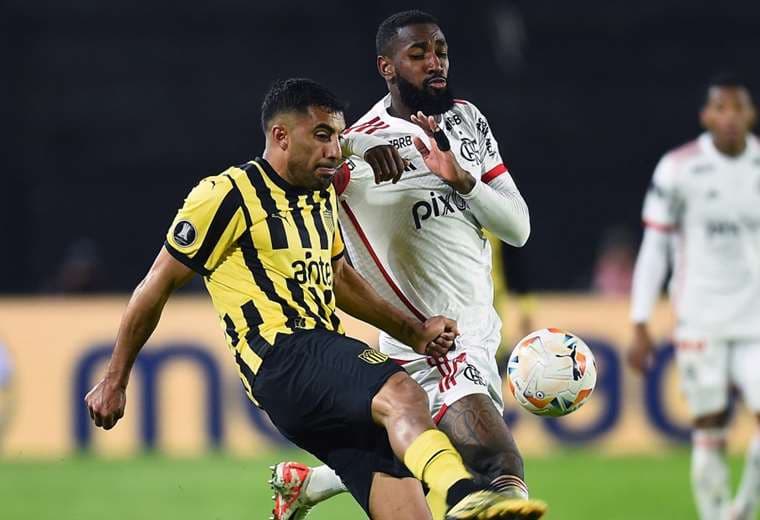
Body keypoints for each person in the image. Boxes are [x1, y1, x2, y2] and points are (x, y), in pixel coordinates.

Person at [84, 78, 542, 520]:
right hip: (280, 352)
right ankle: (464, 492)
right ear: (280, 136)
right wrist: (115, 378)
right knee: (403, 391)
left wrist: (412, 331)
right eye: (322, 136)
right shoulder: (226, 195)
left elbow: (339, 276)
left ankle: (303, 486)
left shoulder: (320, 194)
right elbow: (155, 286)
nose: (333, 149)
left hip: (315, 373)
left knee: (402, 485)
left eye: (339, 136)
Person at [271, 11, 545, 520]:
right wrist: (353, 143)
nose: (434, 63)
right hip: (434, 340)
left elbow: (518, 227)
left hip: (480, 329)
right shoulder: (357, 150)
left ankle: (308, 484)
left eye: (440, 50)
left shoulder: (466, 118)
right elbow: (283, 166)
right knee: (496, 464)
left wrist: (464, 181)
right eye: (417, 55)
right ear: (387, 67)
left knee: (431, 453)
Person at [629, 73, 760, 520]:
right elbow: (655, 247)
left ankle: (742, 506)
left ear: (750, 114)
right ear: (706, 115)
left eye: (736, 108)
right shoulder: (678, 168)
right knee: (709, 424)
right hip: (701, 319)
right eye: (719, 108)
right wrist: (640, 320)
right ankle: (715, 514)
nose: (729, 117)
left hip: (757, 321)